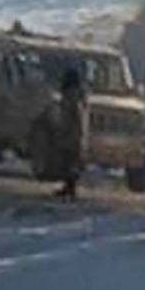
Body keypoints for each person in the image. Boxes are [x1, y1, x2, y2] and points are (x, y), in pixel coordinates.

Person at [54, 65, 90, 200]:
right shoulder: (77, 95)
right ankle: (68, 188)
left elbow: (76, 116)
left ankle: (71, 190)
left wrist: (72, 134)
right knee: (69, 163)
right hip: (73, 134)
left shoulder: (73, 96)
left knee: (70, 163)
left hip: (71, 134)